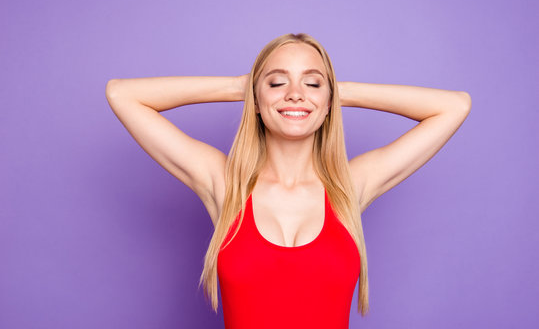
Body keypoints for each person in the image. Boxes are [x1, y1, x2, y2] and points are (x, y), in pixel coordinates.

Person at [105, 33, 471, 328]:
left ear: (329, 102)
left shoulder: (350, 186)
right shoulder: (225, 184)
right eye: (277, 82)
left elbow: (454, 106)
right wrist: (240, 86)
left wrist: (337, 92)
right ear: (256, 100)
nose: (295, 93)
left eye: (312, 83)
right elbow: (122, 94)